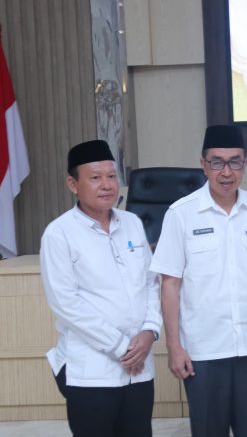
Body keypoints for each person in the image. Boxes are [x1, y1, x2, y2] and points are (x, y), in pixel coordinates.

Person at [149, 125, 247, 436]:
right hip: (203, 349)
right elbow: (170, 284)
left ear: (245, 163)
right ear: (203, 164)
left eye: (235, 162)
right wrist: (174, 346)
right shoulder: (181, 214)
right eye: (217, 162)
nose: (226, 172)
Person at [40, 140, 161, 437]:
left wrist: (150, 331)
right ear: (73, 184)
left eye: (111, 176)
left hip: (139, 370)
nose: (106, 185)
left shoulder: (132, 223)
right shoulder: (59, 234)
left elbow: (151, 282)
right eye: (95, 178)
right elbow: (66, 303)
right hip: (91, 372)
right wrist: (121, 347)